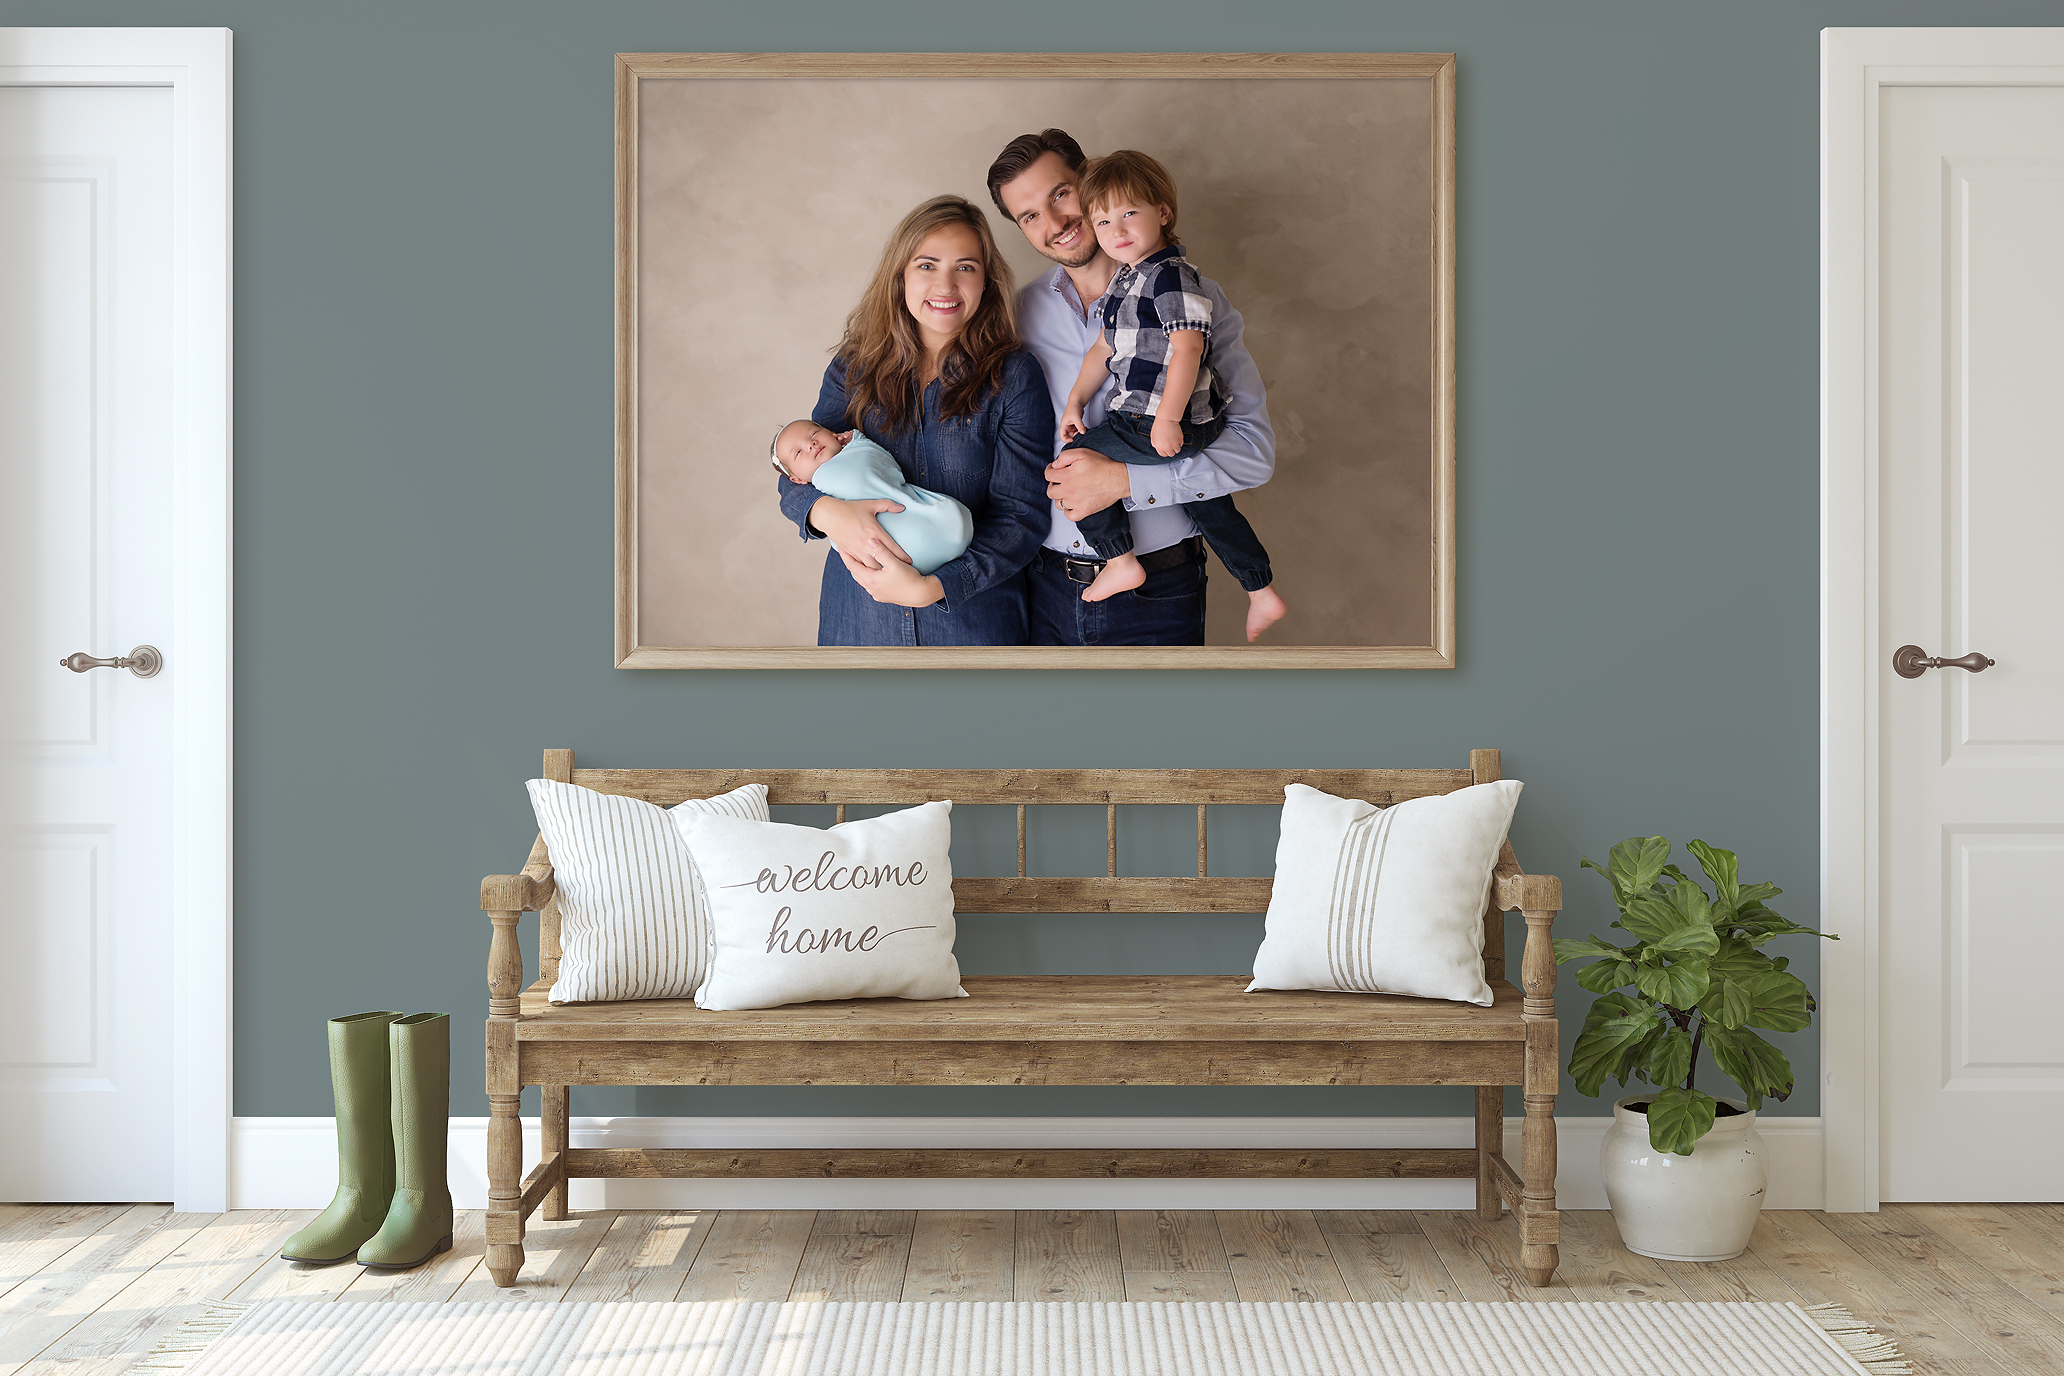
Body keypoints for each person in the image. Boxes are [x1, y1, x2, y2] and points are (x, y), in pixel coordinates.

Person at [987, 128, 1278, 647]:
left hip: (1161, 593)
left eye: (1060, 194)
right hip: (1040, 588)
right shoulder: (1014, 317)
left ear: (1092, 181)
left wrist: (1126, 482)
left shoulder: (1195, 298)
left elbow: (1254, 454)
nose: (1055, 223)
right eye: (1029, 215)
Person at [774, 196, 1052, 646]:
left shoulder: (1014, 376)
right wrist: (826, 513)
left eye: (965, 267)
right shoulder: (855, 365)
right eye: (927, 265)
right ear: (900, 275)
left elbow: (1022, 518)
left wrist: (934, 588)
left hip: (973, 619)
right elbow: (797, 467)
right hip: (859, 618)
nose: (945, 286)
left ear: (986, 281)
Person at [1057, 151, 1288, 640]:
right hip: (1160, 419)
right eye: (1102, 221)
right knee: (1210, 505)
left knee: (1073, 462)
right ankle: (1260, 588)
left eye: (1129, 214)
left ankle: (1118, 560)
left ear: (1163, 212)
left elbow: (1187, 348)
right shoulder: (1126, 279)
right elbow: (1103, 347)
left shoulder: (1169, 276)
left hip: (1156, 419)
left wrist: (1167, 419)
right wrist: (1076, 400)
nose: (1115, 230)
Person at [769, 419, 972, 576]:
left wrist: (857, 440)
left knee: (948, 517)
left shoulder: (857, 450)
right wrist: (825, 512)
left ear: (833, 434)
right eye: (798, 452)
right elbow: (788, 497)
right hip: (882, 563)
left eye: (813, 433)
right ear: (797, 480)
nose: (811, 444)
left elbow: (887, 467)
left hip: (920, 521)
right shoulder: (819, 481)